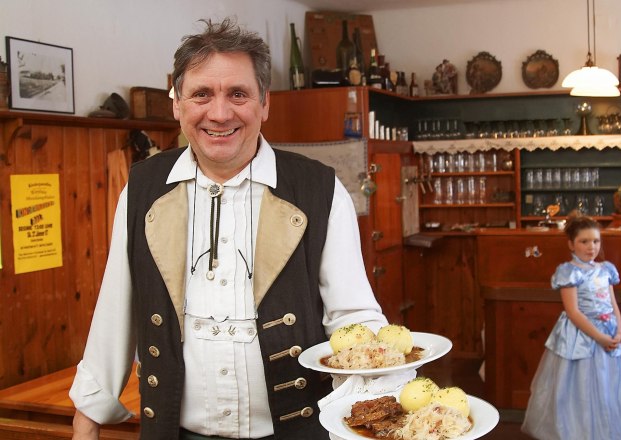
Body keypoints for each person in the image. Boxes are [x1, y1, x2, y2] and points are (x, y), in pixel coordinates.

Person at [69, 18, 388, 440]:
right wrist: (88, 416)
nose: (219, 113)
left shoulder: (320, 189)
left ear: (264, 104)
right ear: (177, 105)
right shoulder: (143, 188)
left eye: (238, 94)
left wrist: (382, 404)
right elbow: (116, 305)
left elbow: (352, 316)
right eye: (201, 94)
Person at [521, 215, 621, 440]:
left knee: (607, 384)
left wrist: (618, 331)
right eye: (584, 242)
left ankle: (605, 430)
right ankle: (579, 432)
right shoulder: (569, 272)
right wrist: (599, 337)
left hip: (607, 334)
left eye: (596, 241)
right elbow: (573, 312)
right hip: (581, 336)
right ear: (571, 244)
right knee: (579, 387)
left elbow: (612, 304)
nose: (592, 247)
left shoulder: (606, 269)